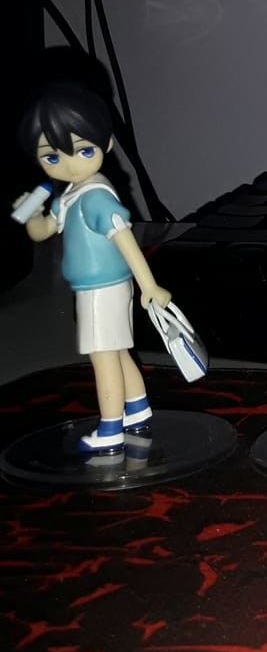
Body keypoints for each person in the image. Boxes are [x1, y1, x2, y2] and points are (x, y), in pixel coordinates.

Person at [13, 84, 171, 454]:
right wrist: (32, 216)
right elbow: (44, 230)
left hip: (103, 290)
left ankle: (111, 427)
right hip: (96, 288)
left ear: (107, 144)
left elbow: (126, 241)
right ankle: (137, 407)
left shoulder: (96, 196)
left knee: (103, 358)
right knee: (117, 350)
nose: (70, 164)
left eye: (84, 150)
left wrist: (149, 286)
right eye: (52, 157)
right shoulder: (70, 194)